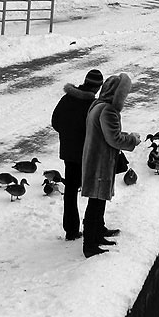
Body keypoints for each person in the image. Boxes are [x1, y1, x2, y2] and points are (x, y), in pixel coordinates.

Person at [81, 72, 141, 258]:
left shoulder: (97, 105)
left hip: (94, 159)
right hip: (100, 162)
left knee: (97, 199)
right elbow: (114, 138)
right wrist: (133, 139)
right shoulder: (108, 110)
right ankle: (90, 244)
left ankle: (99, 232)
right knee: (96, 202)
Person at [51, 68, 104, 241]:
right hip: (86, 153)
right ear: (97, 87)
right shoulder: (92, 106)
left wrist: (67, 135)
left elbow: (55, 121)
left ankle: (71, 230)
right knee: (93, 191)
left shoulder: (67, 98)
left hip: (68, 152)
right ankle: (93, 227)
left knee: (71, 191)